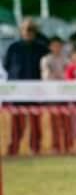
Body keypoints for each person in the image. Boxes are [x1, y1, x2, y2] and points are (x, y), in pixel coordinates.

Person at [3, 18, 49, 155]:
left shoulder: (41, 47)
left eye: (31, 30)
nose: (28, 32)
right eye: (26, 29)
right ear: (21, 31)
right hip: (18, 91)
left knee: (35, 122)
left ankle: (35, 148)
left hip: (36, 90)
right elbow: (7, 66)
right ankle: (14, 148)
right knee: (17, 123)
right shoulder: (14, 47)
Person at [40, 36, 71, 153]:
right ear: (50, 47)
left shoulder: (66, 59)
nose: (57, 48)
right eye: (54, 45)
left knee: (66, 122)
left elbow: (68, 75)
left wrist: (59, 75)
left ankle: (68, 146)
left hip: (65, 95)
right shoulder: (46, 59)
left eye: (59, 45)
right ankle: (56, 146)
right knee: (54, 122)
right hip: (52, 95)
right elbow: (46, 77)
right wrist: (59, 75)